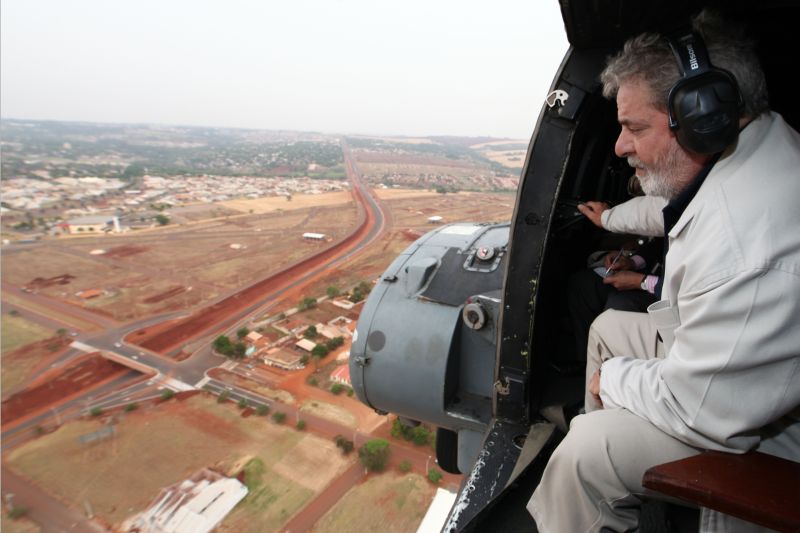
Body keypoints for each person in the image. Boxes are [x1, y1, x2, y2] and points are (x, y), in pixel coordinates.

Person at [528, 10, 800, 532]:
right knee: (609, 326)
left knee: (581, 457)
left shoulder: (744, 243)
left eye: (634, 127)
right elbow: (667, 211)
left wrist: (614, 379)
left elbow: (698, 408)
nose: (619, 146)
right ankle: (620, 444)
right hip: (726, 374)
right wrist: (608, 217)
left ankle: (601, 470)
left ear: (701, 118)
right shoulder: (752, 153)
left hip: (754, 431)